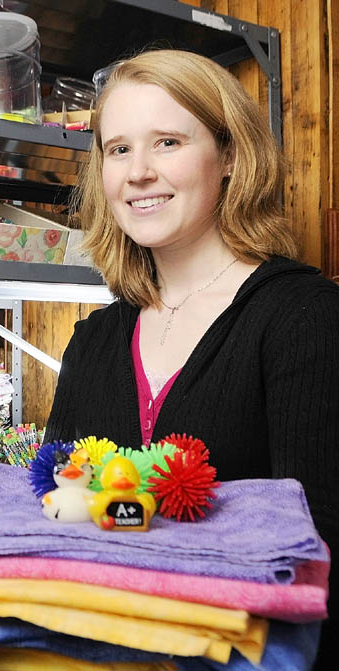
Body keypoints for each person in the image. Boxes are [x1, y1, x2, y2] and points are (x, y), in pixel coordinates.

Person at [44, 49, 338, 669]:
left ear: (230, 158)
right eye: (118, 149)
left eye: (168, 142)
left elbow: (320, 554)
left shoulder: (302, 317)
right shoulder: (92, 340)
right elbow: (60, 517)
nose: (139, 172)